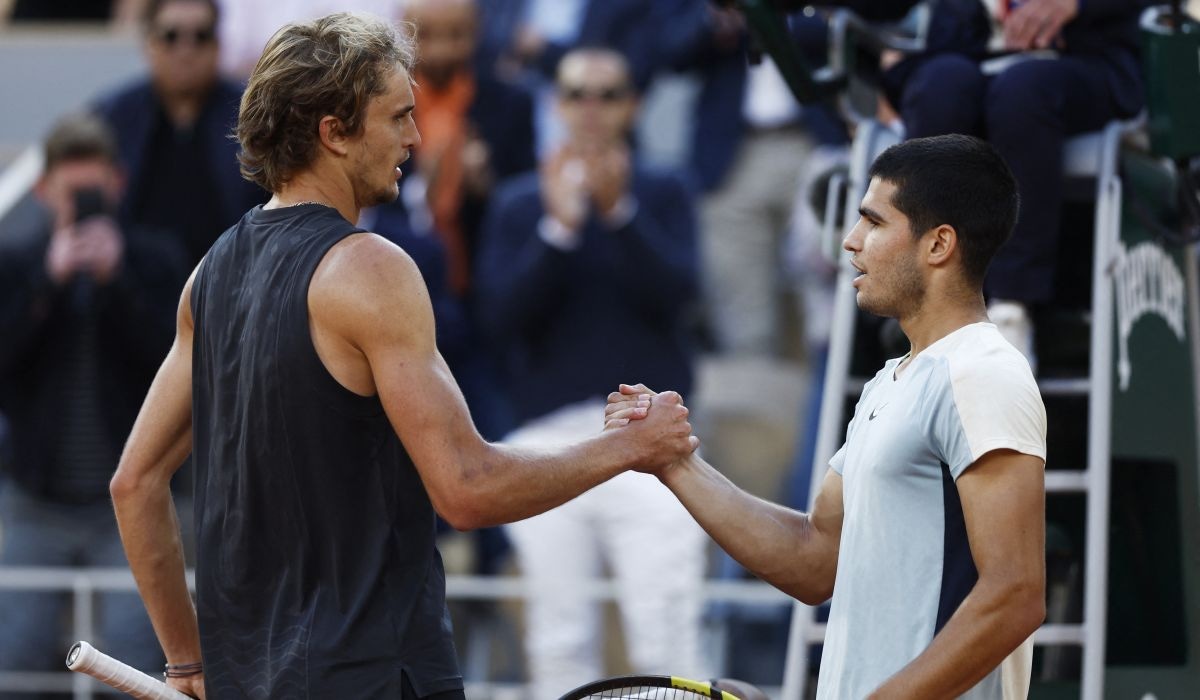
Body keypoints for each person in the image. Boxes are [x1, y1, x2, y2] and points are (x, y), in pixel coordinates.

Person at [108, 13, 699, 700]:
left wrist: (186, 664)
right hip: (373, 680)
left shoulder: (208, 274)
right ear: (334, 132)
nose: (416, 139)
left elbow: (134, 483)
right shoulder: (371, 270)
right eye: (397, 117)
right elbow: (467, 487)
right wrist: (630, 447)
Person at [609, 135, 1048, 699]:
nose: (850, 241)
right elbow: (814, 558)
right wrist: (676, 463)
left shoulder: (983, 372)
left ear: (938, 245)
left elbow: (1015, 593)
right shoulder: (889, 382)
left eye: (873, 222)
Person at [474, 48, 706, 699]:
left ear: (633, 104)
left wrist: (620, 215)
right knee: (557, 635)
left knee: (666, 627)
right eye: (577, 93)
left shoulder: (664, 190)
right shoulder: (523, 202)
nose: (592, 108)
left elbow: (680, 295)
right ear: (557, 103)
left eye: (608, 94)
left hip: (652, 435)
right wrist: (558, 227)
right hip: (548, 437)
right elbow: (502, 319)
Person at [0, 114, 186, 687]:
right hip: (37, 496)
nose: (82, 204)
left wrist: (117, 279)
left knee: (138, 660)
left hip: (133, 500)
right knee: (19, 655)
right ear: (42, 191)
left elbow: (176, 365)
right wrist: (50, 284)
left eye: (93, 191)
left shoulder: (153, 259)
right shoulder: (17, 263)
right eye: (70, 192)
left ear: (118, 184)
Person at [875, 0, 1146, 365]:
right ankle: (928, 303)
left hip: (1079, 58)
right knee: (940, 87)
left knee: (1023, 92)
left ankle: (1012, 308)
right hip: (970, 50)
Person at [94, 0, 266, 268]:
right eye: (171, 36)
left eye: (201, 36)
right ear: (148, 43)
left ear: (218, 45)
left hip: (234, 280)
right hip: (134, 290)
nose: (186, 51)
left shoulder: (253, 115)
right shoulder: (112, 117)